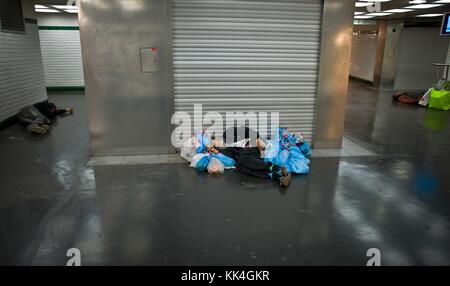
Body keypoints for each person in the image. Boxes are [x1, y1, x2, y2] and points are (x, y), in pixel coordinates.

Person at [209, 126, 292, 187]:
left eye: (213, 143)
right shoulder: (224, 150)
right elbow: (233, 156)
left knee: (243, 158)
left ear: (216, 138)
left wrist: (257, 139)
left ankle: (275, 168)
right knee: (242, 167)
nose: (215, 145)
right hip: (247, 157)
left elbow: (247, 130)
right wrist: (217, 152)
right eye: (213, 146)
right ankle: (277, 176)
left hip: (252, 146)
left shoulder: (228, 133)